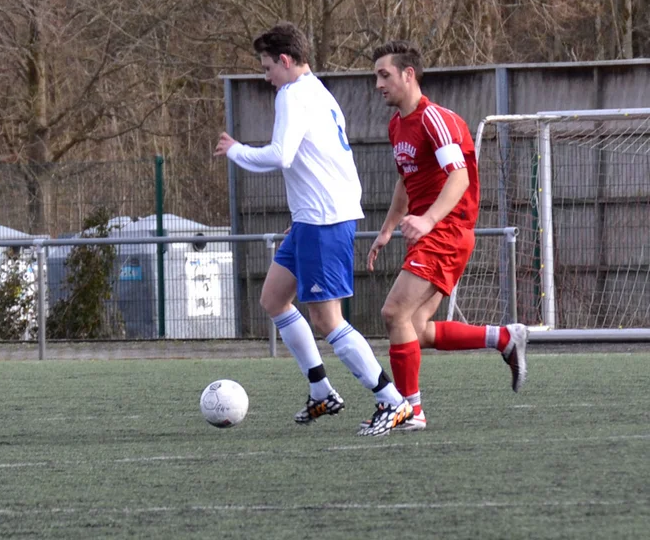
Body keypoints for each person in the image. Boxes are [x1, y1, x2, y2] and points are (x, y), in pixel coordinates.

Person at [214, 22, 412, 437]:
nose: (266, 77)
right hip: (312, 216)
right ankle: (321, 388)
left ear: (285, 61)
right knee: (273, 299)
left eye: (267, 67)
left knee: (327, 319)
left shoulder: (292, 93)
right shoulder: (317, 90)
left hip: (323, 218)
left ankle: (391, 401)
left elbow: (282, 155)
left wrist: (236, 151)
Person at [367, 40, 528, 432]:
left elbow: (459, 176)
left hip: (448, 230)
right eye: (376, 76)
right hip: (432, 234)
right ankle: (504, 337)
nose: (377, 84)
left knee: (393, 313)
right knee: (415, 329)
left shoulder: (433, 118)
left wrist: (429, 219)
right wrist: (389, 226)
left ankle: (410, 410)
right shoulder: (396, 125)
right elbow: (407, 180)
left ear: (409, 74)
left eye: (384, 75)